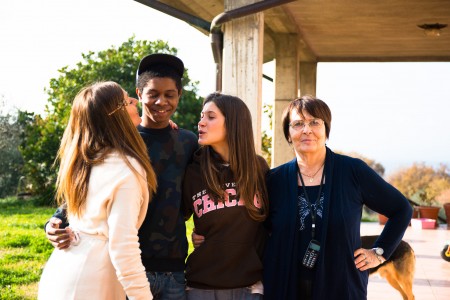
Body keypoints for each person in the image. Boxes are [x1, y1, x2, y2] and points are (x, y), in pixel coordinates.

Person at [44, 54, 198, 299]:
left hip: (172, 268)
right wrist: (55, 221)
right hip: (124, 265)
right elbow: (90, 185)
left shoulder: (188, 142)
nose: (161, 101)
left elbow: (199, 192)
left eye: (170, 94)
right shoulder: (120, 142)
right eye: (152, 94)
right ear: (138, 94)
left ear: (179, 95)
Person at [262, 95, 413, 299]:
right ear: (288, 134)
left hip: (341, 286)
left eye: (314, 122)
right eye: (298, 124)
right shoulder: (274, 180)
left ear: (326, 130)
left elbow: (401, 209)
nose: (307, 130)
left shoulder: (352, 171)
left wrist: (380, 253)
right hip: (285, 287)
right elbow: (259, 230)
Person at [38, 81, 157, 300]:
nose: (135, 102)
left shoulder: (86, 162)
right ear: (117, 115)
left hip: (61, 271)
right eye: (128, 100)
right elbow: (123, 246)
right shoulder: (127, 168)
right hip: (93, 280)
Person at [182, 93, 269, 299]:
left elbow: (271, 223)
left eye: (210, 117)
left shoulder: (258, 168)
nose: (201, 122)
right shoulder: (193, 170)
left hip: (250, 287)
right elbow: (174, 219)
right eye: (202, 116)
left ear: (233, 123)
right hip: (200, 287)